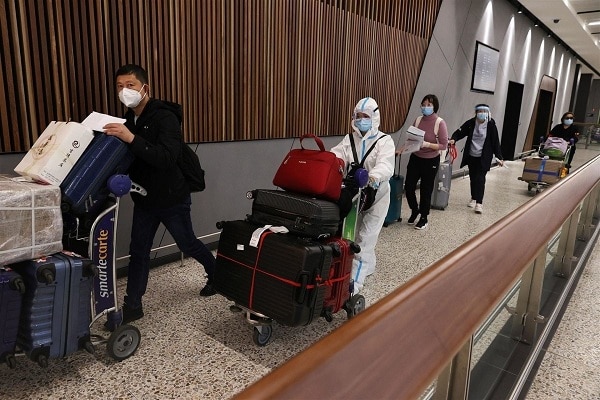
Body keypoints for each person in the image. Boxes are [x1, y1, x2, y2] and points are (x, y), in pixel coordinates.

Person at [102, 64, 216, 325]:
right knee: (138, 251)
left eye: (130, 85)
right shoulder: (129, 120)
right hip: (145, 198)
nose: (124, 91)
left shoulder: (165, 117)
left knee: (187, 243)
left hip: (172, 197)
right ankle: (133, 305)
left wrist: (131, 138)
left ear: (145, 88)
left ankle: (216, 273)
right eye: (119, 86)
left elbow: (166, 157)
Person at [331, 97, 395, 295]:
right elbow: (336, 157)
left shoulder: (384, 141)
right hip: (355, 195)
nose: (361, 120)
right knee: (349, 235)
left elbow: (386, 165)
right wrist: (330, 164)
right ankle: (366, 266)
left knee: (365, 239)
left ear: (374, 117)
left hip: (377, 196)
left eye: (365, 116)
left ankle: (353, 286)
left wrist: (373, 177)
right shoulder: (349, 140)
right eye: (358, 116)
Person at [401, 94, 448, 229]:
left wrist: (427, 144)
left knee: (425, 190)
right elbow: (410, 139)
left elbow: (443, 145)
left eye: (429, 105)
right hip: (416, 158)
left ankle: (424, 217)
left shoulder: (440, 123)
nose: (425, 107)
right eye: (423, 104)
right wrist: (401, 149)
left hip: (431, 160)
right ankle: (415, 210)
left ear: (434, 107)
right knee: (409, 187)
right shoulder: (418, 120)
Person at [449, 104, 504, 214]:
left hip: (484, 156)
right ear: (476, 113)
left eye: (484, 111)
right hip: (472, 155)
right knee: (473, 177)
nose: (482, 113)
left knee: (480, 178)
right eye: (480, 111)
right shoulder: (471, 123)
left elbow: (495, 142)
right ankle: (473, 198)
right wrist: (453, 139)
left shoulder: (491, 125)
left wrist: (499, 157)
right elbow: (460, 132)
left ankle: (479, 203)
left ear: (487, 113)